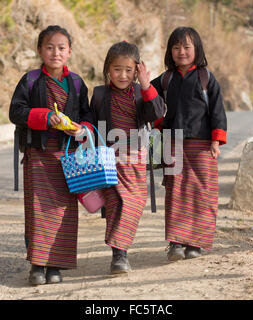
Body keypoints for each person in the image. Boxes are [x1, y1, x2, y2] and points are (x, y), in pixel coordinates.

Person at [9, 25, 93, 285]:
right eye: (49, 47)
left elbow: (87, 115)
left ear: (69, 52)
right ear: (39, 50)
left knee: (63, 213)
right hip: (38, 156)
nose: (55, 52)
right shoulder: (31, 80)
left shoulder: (77, 83)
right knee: (37, 211)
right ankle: (37, 265)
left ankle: (56, 266)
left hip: (67, 159)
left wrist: (83, 129)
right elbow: (16, 112)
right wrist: (45, 117)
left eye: (61, 48)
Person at [151, 26, 227, 261]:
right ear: (170, 51)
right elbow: (148, 99)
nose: (181, 52)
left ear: (197, 49)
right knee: (176, 191)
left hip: (202, 145)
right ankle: (176, 242)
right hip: (173, 143)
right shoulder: (166, 79)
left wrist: (216, 140)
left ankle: (195, 243)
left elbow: (217, 110)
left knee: (203, 192)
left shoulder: (206, 77)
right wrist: (157, 124)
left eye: (186, 47)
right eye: (176, 47)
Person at [90, 41, 166, 274]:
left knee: (134, 202)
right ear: (107, 70)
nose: (122, 75)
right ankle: (119, 256)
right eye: (116, 69)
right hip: (110, 158)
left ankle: (118, 246)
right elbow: (92, 124)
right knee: (114, 204)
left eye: (128, 70)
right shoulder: (101, 94)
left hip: (135, 157)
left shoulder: (142, 94)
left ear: (136, 71)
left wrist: (145, 85)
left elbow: (157, 114)